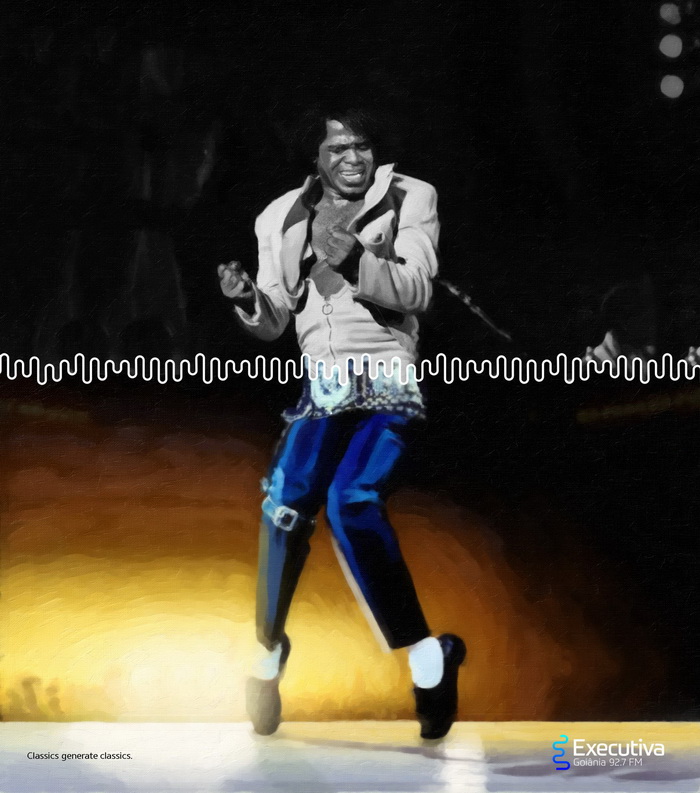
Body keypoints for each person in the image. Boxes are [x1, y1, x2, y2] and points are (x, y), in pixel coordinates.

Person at [218, 105, 465, 740]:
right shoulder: (279, 216)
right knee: (283, 507)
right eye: (338, 149)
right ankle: (267, 652)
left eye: (362, 146)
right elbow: (277, 317)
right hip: (323, 386)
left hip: (386, 378)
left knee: (352, 500)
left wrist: (357, 260)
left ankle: (428, 657)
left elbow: (417, 289)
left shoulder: (410, 195)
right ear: (315, 156)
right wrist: (249, 301)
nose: (353, 159)